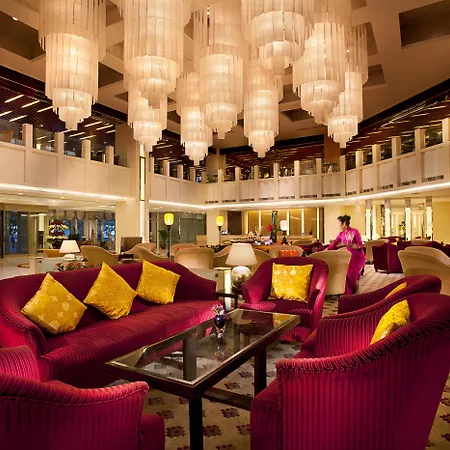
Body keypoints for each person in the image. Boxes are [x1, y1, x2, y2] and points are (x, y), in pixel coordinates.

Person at [327, 215, 365, 294]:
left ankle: (353, 289)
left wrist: (354, 246)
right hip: (348, 257)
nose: (337, 225)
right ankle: (349, 292)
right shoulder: (341, 234)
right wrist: (325, 250)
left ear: (344, 223)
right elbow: (334, 244)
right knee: (346, 274)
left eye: (338, 223)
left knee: (351, 274)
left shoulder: (355, 232)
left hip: (358, 257)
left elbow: (360, 244)